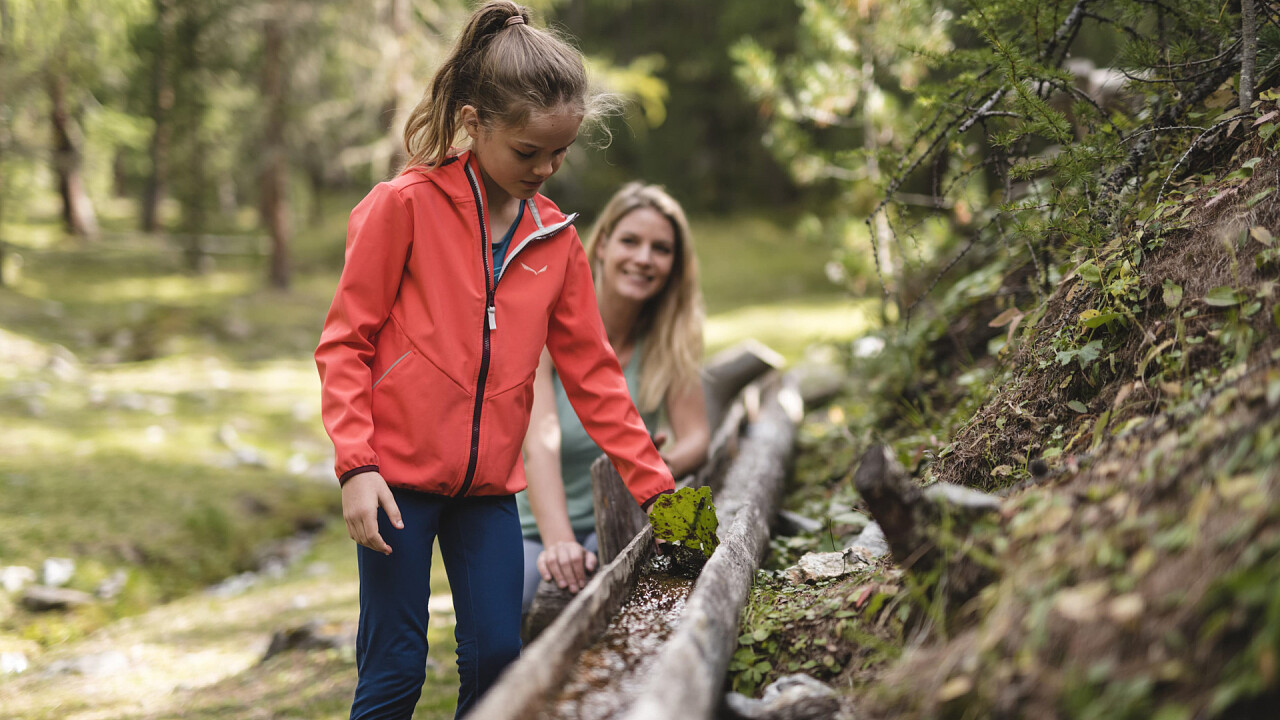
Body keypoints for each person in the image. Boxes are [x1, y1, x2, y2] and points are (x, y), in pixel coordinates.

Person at [313, 4, 674, 718]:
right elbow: (345, 343)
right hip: (395, 485)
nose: (544, 169)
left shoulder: (556, 240)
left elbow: (595, 379)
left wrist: (656, 488)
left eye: (559, 154)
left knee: (500, 661)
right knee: (394, 669)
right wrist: (356, 466)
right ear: (473, 122)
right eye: (528, 151)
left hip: (489, 494)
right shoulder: (403, 206)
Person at [518, 182, 710, 609]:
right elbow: (539, 445)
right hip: (536, 526)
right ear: (602, 245)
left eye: (661, 249)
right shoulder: (548, 326)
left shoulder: (669, 340)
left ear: (675, 264)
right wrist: (559, 542)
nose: (644, 258)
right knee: (535, 596)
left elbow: (697, 435)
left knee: (676, 579)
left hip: (622, 517)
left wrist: (658, 463)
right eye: (630, 241)